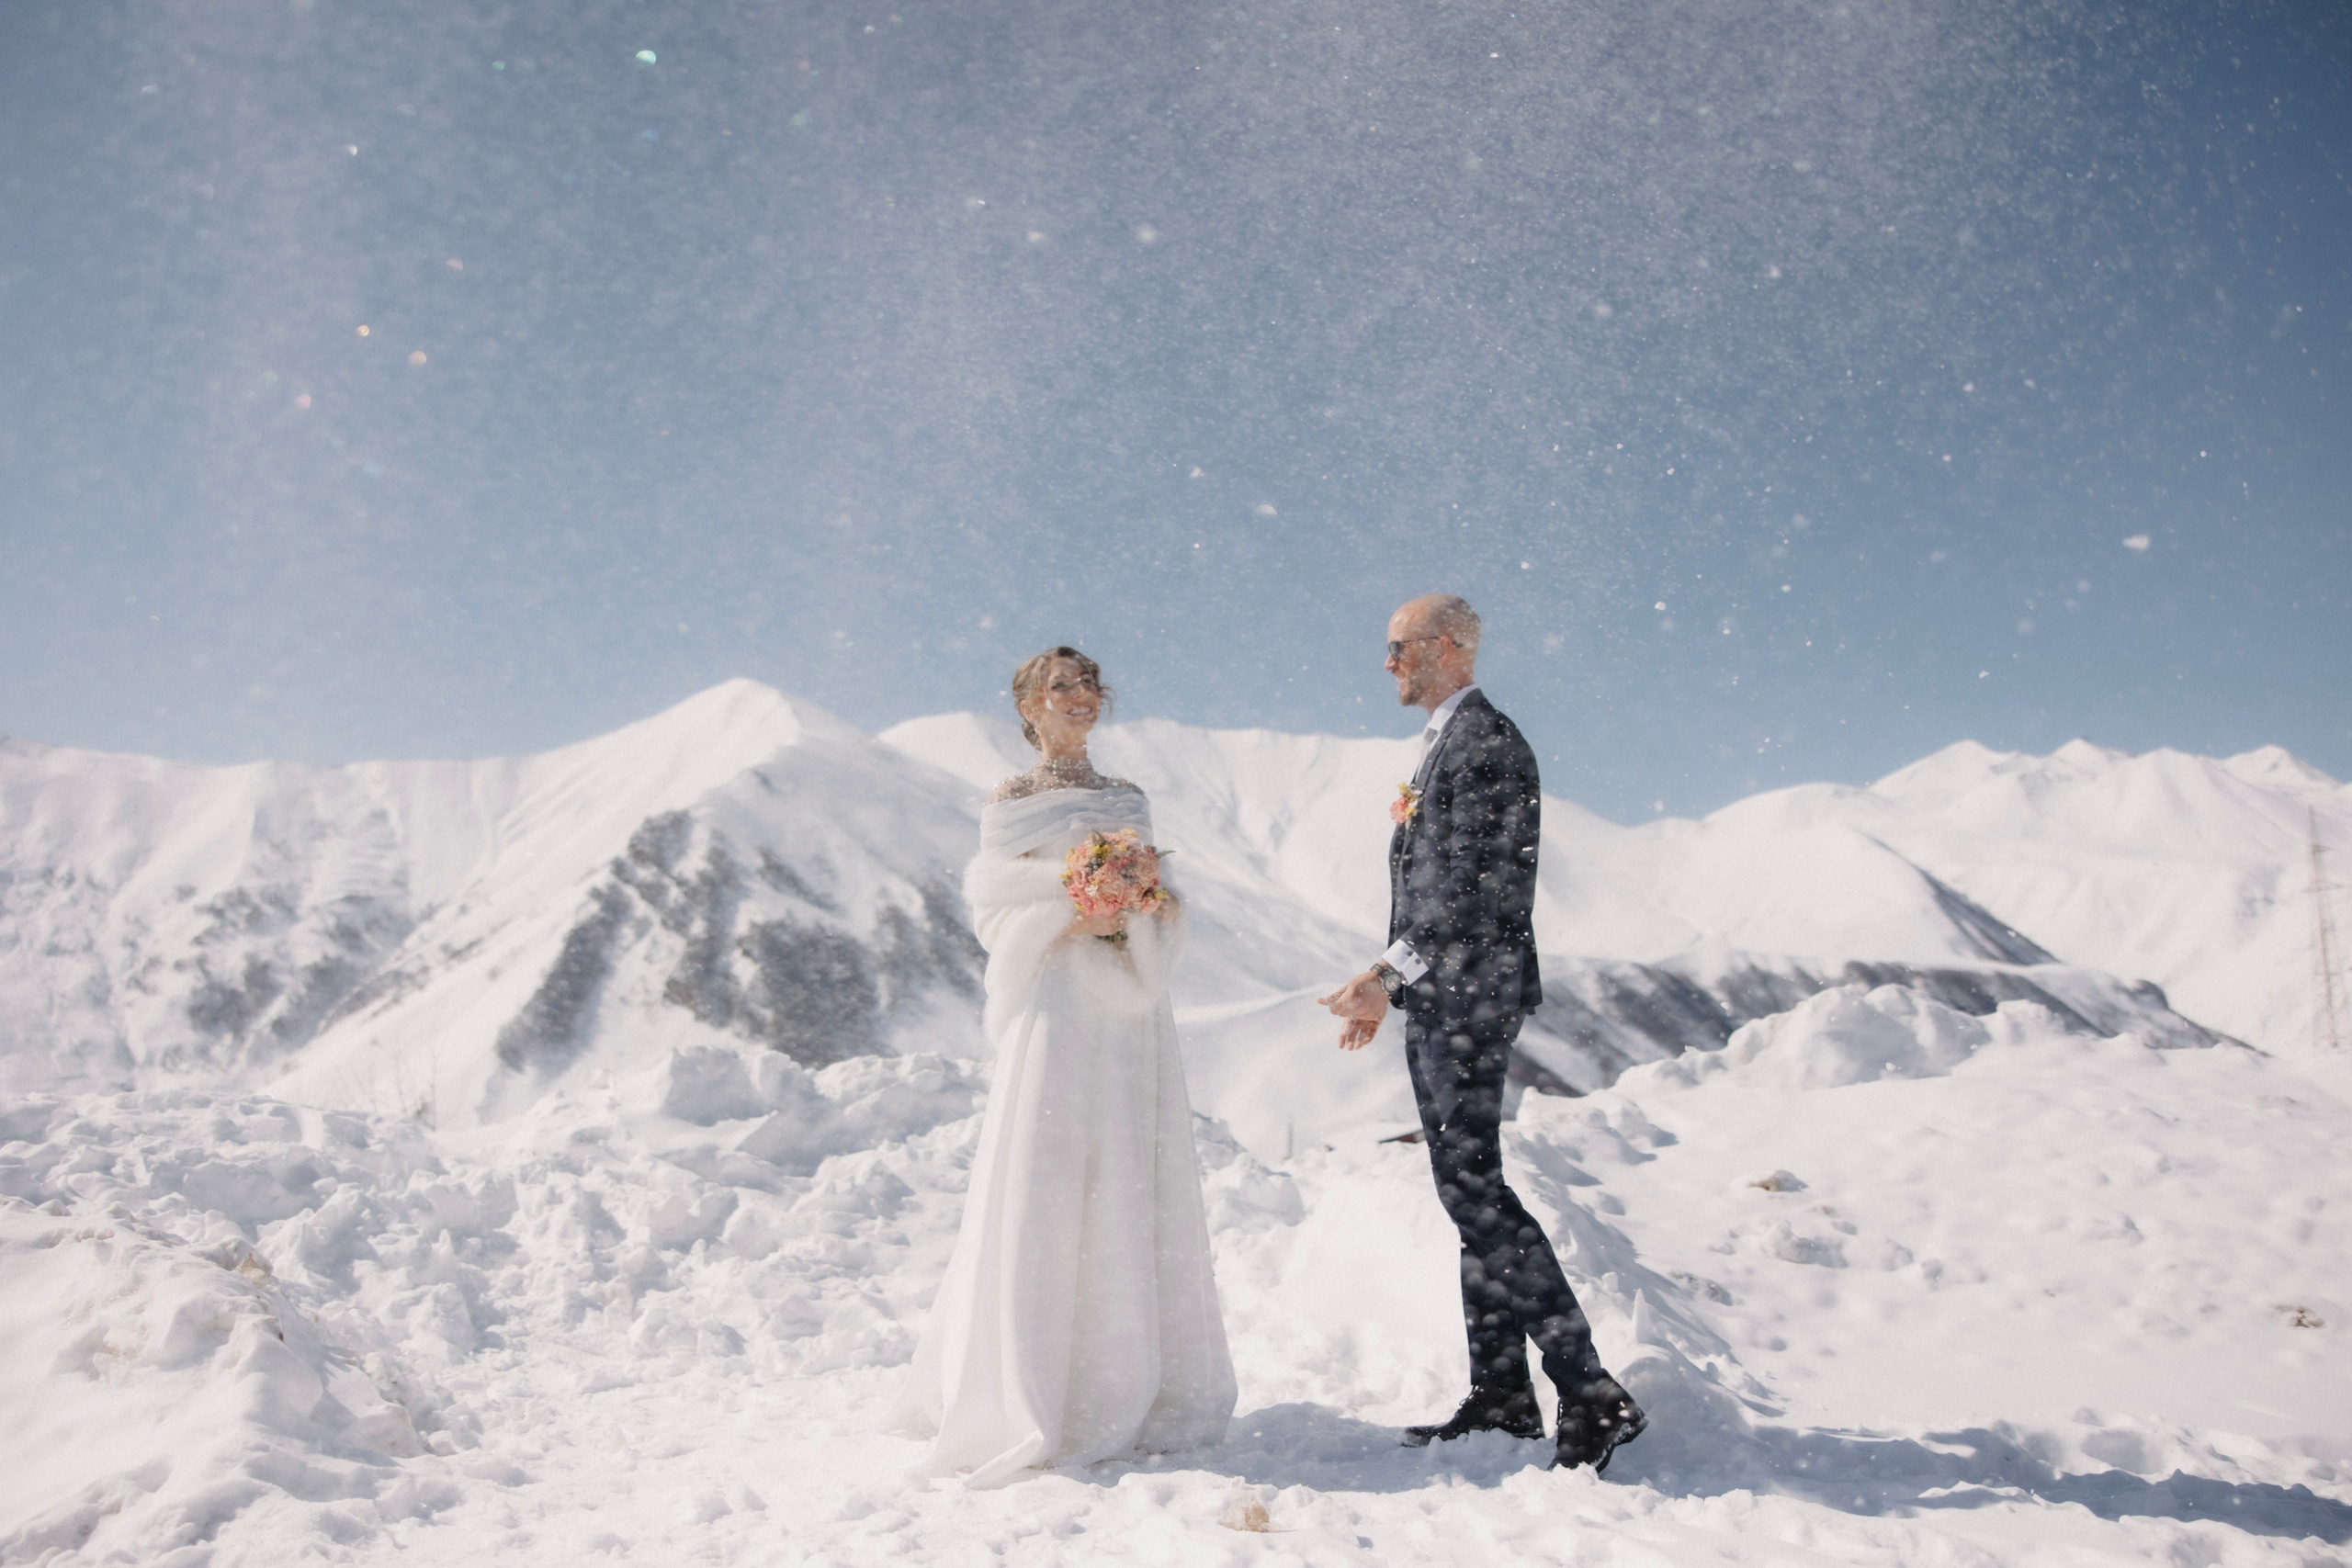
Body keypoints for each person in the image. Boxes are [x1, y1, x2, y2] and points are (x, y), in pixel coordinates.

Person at [889, 647, 1237, 1487]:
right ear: (1029, 707)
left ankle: (1124, 1376)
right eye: (1062, 687)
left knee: (1127, 1167)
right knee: (1047, 1170)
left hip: (1127, 1006)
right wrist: (1073, 911)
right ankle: (1034, 1383)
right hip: (1056, 996)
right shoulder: (1012, 802)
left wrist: (1141, 907)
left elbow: (1161, 900)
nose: (1081, 698)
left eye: (1089, 686)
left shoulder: (1129, 799)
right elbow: (994, 908)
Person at [1317, 595, 1645, 1474]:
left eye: (1399, 647)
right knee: (1470, 1191)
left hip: (1468, 998)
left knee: (1475, 1193)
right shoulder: (1450, 742)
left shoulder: (1486, 742)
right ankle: (1503, 1391)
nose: (1387, 662)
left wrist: (1388, 974)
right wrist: (1393, 983)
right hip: (1449, 996)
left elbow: (1472, 893)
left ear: (1448, 647)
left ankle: (1590, 1390)